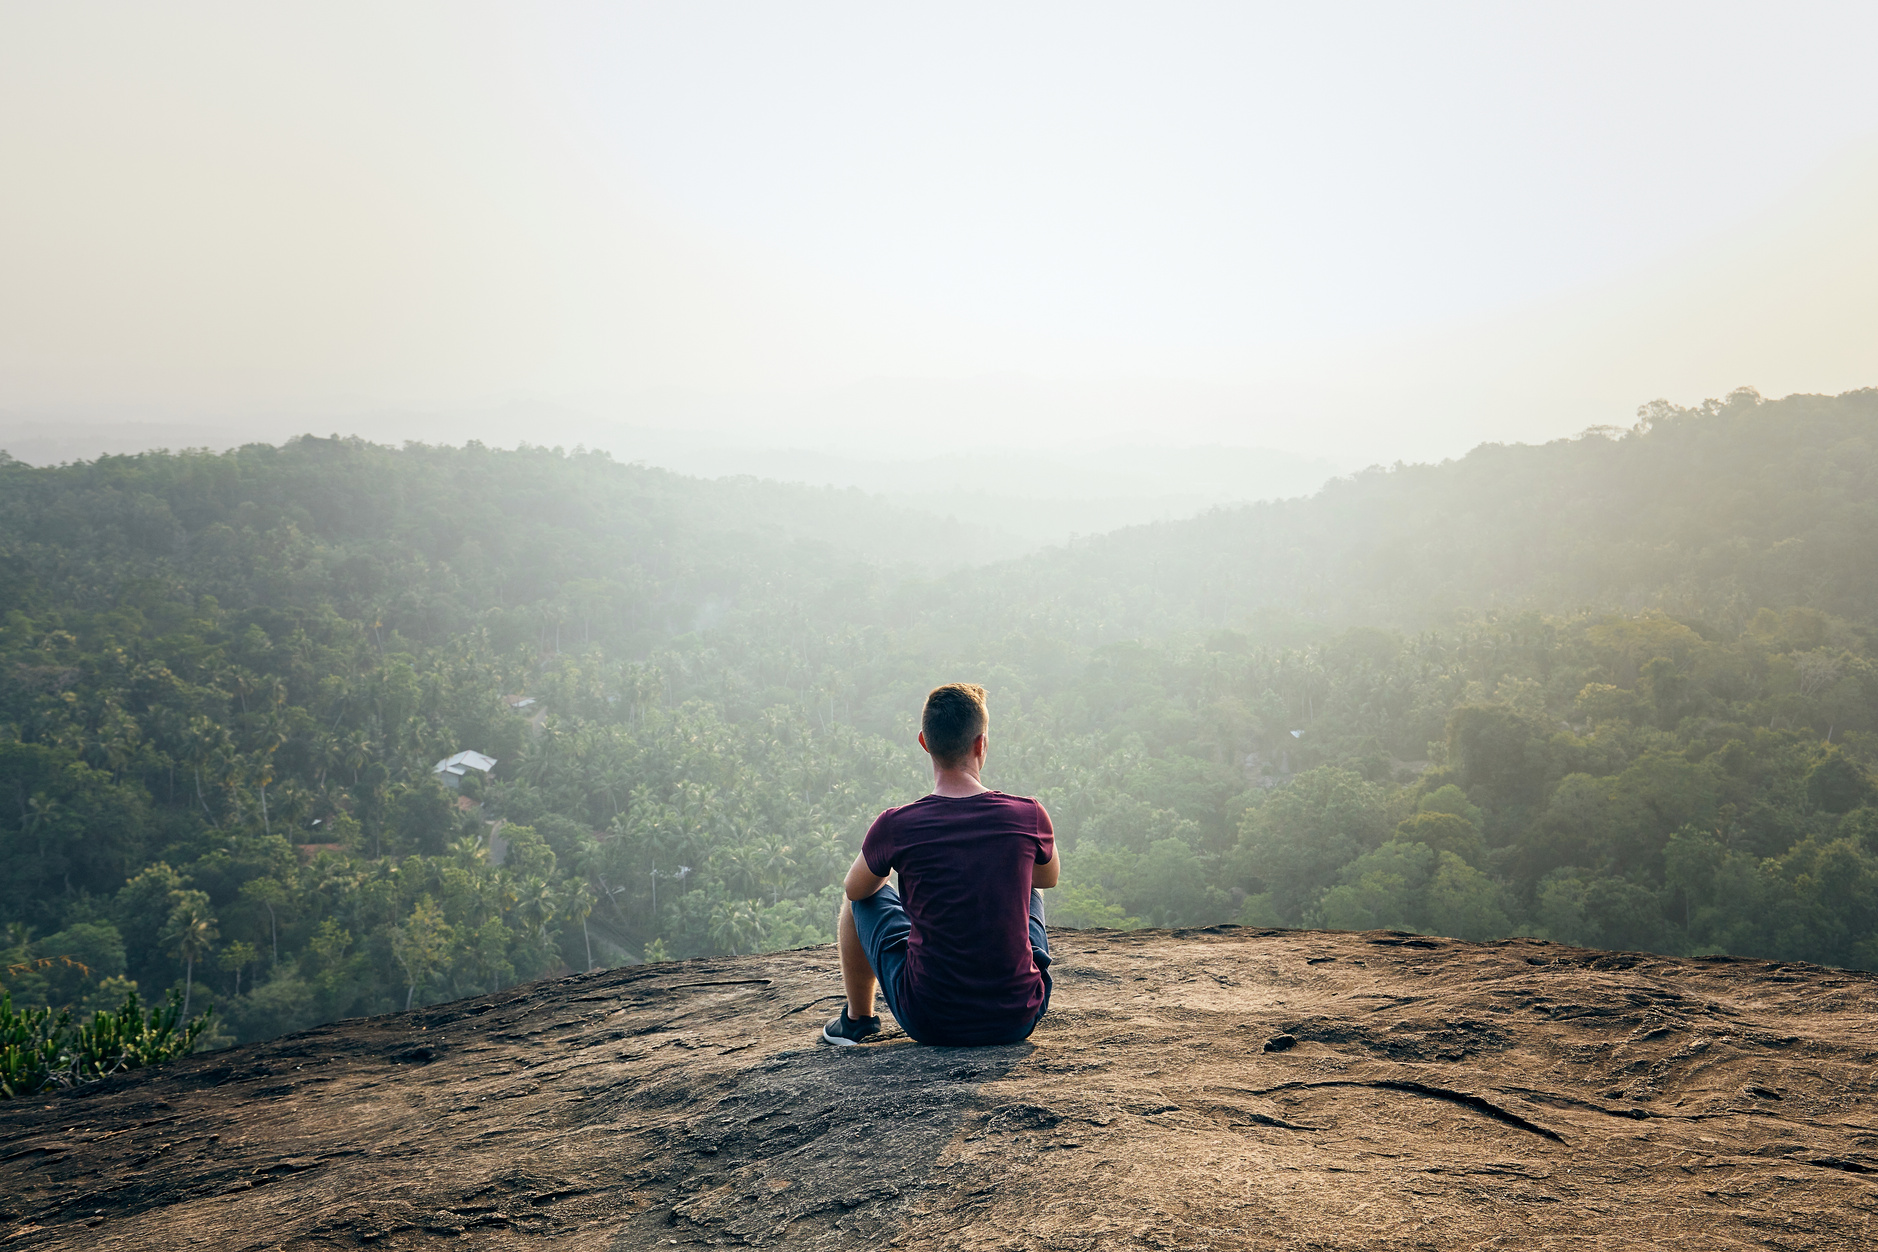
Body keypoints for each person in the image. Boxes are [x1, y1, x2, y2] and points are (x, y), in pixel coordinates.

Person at [822, 682, 1059, 1047]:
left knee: (861, 900)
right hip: (1017, 1016)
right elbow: (1047, 877)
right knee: (1027, 880)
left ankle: (858, 1021)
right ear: (981, 744)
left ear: (924, 742)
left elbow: (855, 889)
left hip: (930, 1020)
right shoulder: (1027, 814)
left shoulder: (896, 824)